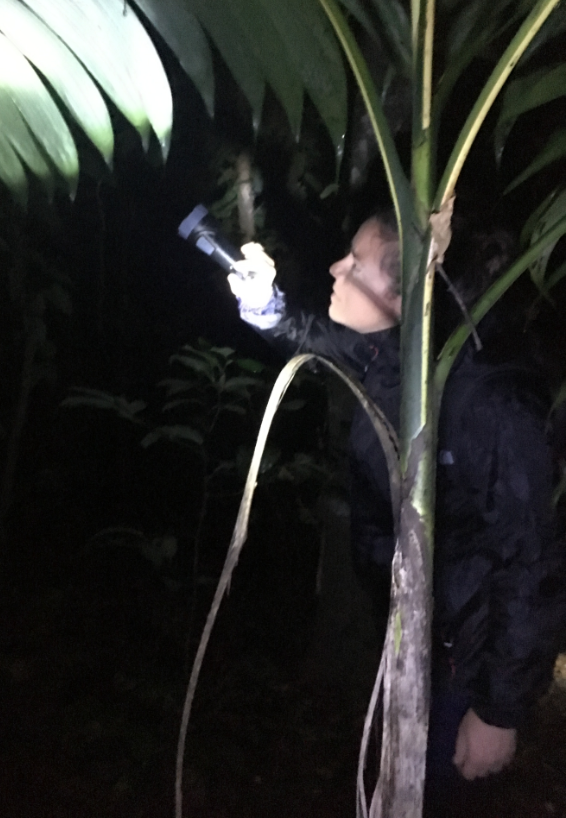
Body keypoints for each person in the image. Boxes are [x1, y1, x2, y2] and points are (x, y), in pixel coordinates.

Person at [226, 213, 566, 792]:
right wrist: (265, 303)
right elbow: (320, 337)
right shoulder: (401, 353)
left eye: (355, 264)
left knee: (426, 791)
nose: (336, 268)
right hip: (420, 630)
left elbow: (535, 562)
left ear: (407, 289)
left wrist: (498, 711)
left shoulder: (487, 397)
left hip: (470, 658)